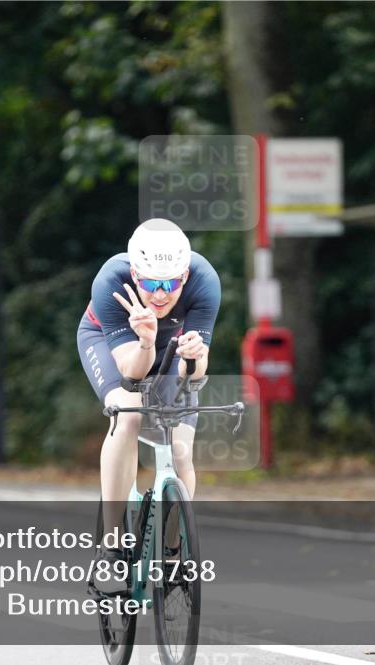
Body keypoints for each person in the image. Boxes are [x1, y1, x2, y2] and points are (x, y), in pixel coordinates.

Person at [77, 218, 220, 592]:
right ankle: (110, 548)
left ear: (185, 275)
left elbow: (195, 375)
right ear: (134, 273)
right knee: (127, 416)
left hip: (175, 346)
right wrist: (144, 342)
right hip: (119, 347)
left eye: (171, 283)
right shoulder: (110, 281)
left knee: (181, 448)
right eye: (150, 283)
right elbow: (130, 374)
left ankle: (173, 550)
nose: (160, 294)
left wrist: (195, 355)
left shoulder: (206, 281)